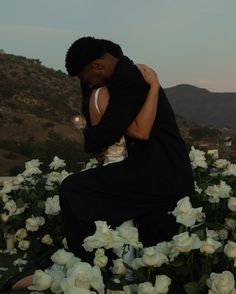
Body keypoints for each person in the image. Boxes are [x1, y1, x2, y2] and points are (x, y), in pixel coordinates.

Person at [59, 36, 195, 263]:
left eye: (86, 78)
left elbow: (118, 131)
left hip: (158, 172)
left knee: (73, 190)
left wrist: (91, 140)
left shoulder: (127, 78)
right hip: (159, 171)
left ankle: (87, 265)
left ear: (97, 66)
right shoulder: (124, 76)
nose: (89, 84)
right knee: (156, 247)